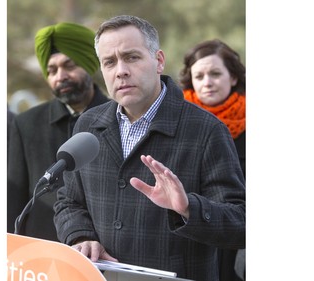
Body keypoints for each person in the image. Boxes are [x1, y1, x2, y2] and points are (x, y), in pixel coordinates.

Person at [53, 15, 245, 281]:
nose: (120, 70)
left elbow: (241, 224)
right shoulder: (88, 124)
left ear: (159, 61)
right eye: (110, 62)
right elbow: (69, 201)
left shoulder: (207, 130)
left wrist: (189, 208)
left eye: (131, 57)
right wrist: (80, 235)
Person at [7, 22, 109, 241]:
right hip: (40, 253)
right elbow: (13, 200)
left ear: (90, 64)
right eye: (52, 70)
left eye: (69, 66)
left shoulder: (118, 118)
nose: (60, 76)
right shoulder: (26, 124)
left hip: (100, 250)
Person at [179, 39, 246, 281]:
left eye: (215, 74)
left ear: (234, 78)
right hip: (188, 235)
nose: (207, 82)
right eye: (199, 76)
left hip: (237, 241)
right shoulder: (177, 122)